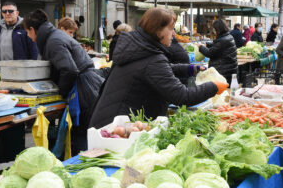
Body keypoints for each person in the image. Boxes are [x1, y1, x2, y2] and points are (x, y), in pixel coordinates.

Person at [89, 8, 228, 128]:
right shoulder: (151, 57)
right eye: (171, 29)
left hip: (108, 121)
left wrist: (189, 69)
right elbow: (182, 96)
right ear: (158, 31)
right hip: (117, 129)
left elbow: (154, 71)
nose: (174, 34)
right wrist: (213, 86)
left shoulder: (139, 48)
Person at [22, 9, 104, 155]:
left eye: (28, 33)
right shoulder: (54, 37)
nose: (29, 37)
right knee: (83, 133)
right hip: (86, 85)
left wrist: (61, 92)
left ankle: (84, 164)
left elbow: (69, 70)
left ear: (33, 29)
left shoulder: (54, 41)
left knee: (82, 135)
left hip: (84, 88)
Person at [0, 1, 38, 71]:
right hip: (1, 70)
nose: (7, 14)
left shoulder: (26, 28)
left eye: (10, 11)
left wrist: (31, 69)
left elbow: (33, 50)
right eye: (4, 11)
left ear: (17, 13)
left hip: (21, 70)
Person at [197, 19, 238, 85]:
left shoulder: (223, 40)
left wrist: (200, 47)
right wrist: (207, 44)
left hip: (224, 71)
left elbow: (210, 53)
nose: (213, 30)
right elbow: (217, 44)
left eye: (214, 29)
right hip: (229, 69)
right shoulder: (228, 36)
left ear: (218, 29)